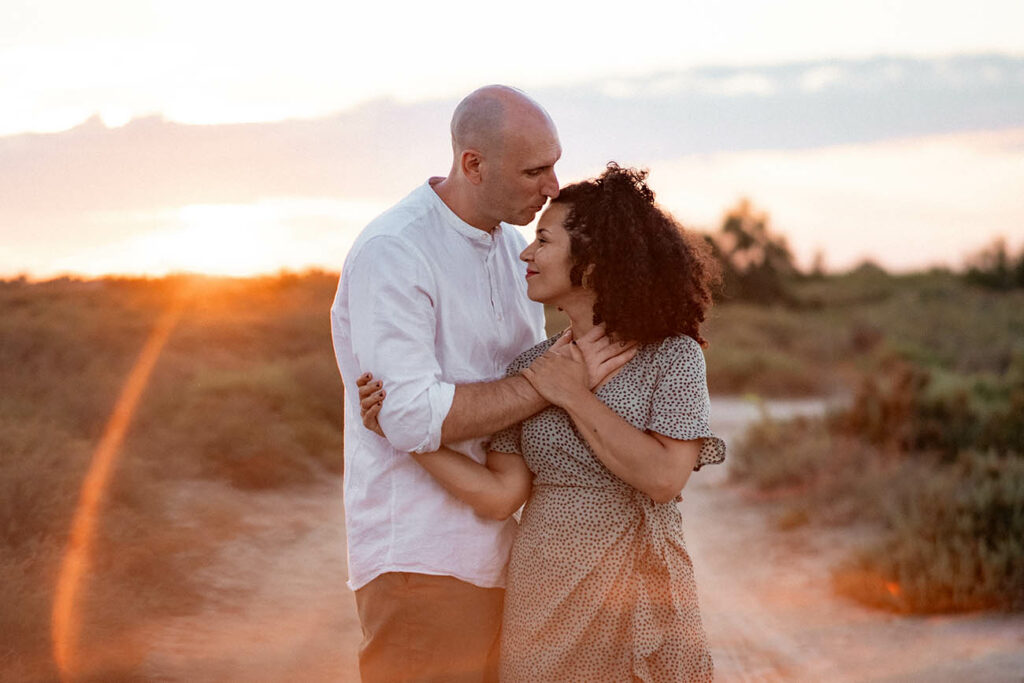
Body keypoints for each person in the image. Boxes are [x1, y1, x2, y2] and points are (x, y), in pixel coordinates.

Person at [359, 163, 726, 681]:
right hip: (542, 593)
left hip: (638, 585)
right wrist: (406, 437)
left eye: (544, 241)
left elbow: (664, 479)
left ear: (594, 261)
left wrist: (573, 395)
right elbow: (501, 495)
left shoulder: (674, 357)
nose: (526, 253)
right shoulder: (527, 369)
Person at [330, 86, 634, 683]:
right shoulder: (396, 250)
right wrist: (546, 385)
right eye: (533, 170)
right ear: (473, 164)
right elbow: (411, 416)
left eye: (554, 164)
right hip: (421, 559)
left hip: (504, 557)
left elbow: (519, 412)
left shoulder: (515, 252)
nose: (552, 186)